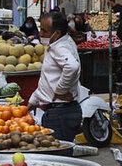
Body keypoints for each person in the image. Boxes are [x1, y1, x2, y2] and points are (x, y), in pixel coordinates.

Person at [27, 10, 82, 142]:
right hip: (62, 112)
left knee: (59, 155)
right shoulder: (62, 43)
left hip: (59, 114)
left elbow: (72, 66)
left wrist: (60, 91)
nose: (40, 34)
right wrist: (34, 100)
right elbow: (49, 78)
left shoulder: (60, 47)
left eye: (44, 31)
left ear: (57, 33)